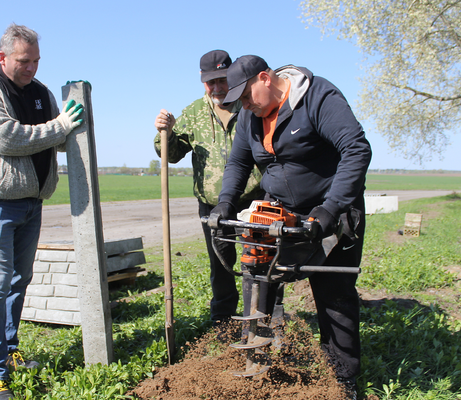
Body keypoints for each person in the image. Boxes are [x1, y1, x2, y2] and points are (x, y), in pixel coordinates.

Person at [210, 55, 372, 394]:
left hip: (332, 211)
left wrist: (329, 211)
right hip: (280, 212)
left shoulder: (318, 97)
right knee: (258, 282)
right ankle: (258, 364)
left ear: (266, 79)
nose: (244, 104)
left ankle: (342, 379)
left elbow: (356, 149)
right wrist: (226, 200)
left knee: (333, 296)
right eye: (238, 100)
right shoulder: (249, 116)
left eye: (246, 95)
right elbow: (238, 162)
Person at [0, 23, 84, 400]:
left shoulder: (40, 93)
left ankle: (10, 350)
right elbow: (6, 137)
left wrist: (72, 126)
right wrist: (61, 124)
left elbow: (60, 138)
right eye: (23, 60)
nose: (31, 67)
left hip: (32, 203)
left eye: (35, 60)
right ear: (3, 58)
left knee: (19, 281)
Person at [154, 50, 264, 326]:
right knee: (220, 264)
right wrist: (163, 133)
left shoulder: (249, 104)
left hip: (254, 201)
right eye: (210, 82)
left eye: (222, 80)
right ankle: (223, 320)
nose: (217, 88)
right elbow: (172, 153)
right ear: (202, 81)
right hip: (213, 205)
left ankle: (261, 316)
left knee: (259, 261)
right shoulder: (193, 113)